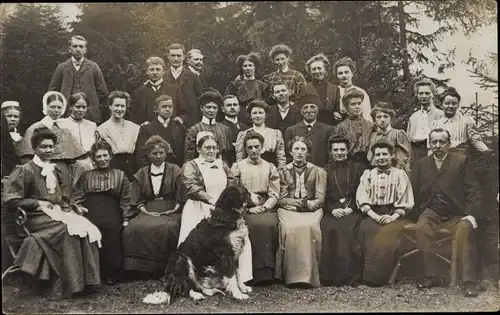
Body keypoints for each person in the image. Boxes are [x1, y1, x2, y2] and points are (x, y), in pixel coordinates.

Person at [3, 127, 101, 298]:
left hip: (55, 212)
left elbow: (60, 197)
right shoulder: (25, 170)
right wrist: (36, 202)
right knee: (68, 230)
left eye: (50, 147)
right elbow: (11, 200)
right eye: (43, 147)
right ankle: (72, 284)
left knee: (84, 226)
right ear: (34, 149)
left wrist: (71, 207)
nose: (48, 150)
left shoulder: (54, 169)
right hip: (34, 217)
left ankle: (88, 281)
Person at [413, 128, 482, 297]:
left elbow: (473, 190)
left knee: (466, 229)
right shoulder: (421, 164)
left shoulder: (461, 161)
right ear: (430, 144)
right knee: (421, 227)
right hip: (431, 211)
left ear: (449, 144)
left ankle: (469, 281)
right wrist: (413, 213)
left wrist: (471, 213)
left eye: (442, 142)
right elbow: (413, 192)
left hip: (456, 213)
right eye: (434, 142)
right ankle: (432, 276)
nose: (438, 145)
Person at [71, 141, 132, 285]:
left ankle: (112, 271)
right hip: (90, 207)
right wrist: (77, 208)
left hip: (111, 207)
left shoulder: (120, 175)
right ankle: (94, 272)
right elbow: (77, 196)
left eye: (105, 155)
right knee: (91, 228)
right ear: (93, 159)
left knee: (110, 227)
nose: (102, 159)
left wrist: (125, 218)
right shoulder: (86, 175)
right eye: (98, 157)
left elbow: (125, 198)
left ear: (110, 156)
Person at [123, 136, 184, 277]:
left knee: (168, 228)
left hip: (171, 208)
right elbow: (137, 199)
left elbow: (180, 196)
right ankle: (140, 270)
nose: (158, 156)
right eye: (154, 153)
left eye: (161, 153)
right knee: (133, 228)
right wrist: (147, 212)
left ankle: (165, 268)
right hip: (148, 208)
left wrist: (174, 209)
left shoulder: (175, 170)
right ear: (148, 155)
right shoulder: (141, 173)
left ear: (166, 153)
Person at [356, 141, 414, 286]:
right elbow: (362, 197)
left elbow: (405, 199)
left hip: (394, 214)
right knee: (366, 229)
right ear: (374, 157)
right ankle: (367, 275)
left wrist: (393, 216)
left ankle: (381, 277)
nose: (381, 157)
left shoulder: (400, 174)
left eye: (384, 154)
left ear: (392, 155)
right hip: (373, 213)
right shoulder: (368, 174)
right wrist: (374, 215)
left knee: (388, 233)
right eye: (378, 154)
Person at [275, 137, 326, 288]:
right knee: (289, 229)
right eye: (296, 149)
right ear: (290, 151)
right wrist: (298, 204)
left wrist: (307, 205)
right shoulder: (282, 171)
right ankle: (290, 276)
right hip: (288, 210)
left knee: (311, 228)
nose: (299, 152)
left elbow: (320, 199)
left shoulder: (319, 171)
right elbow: (281, 198)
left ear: (308, 152)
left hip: (311, 210)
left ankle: (309, 276)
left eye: (303, 149)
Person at [231, 132, 280, 284]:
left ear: (262, 148)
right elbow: (233, 192)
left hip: (265, 205)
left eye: (256, 147)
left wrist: (264, 207)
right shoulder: (238, 167)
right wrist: (247, 209)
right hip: (244, 206)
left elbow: (274, 194)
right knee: (251, 225)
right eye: (250, 147)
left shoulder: (270, 167)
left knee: (270, 225)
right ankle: (248, 274)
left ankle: (266, 273)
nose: (253, 150)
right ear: (245, 149)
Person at [320, 136, 367, 286]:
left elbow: (363, 192)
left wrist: (351, 208)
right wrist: (332, 210)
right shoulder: (324, 170)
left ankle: (349, 276)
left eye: (342, 149)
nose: (339, 153)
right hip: (332, 210)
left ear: (348, 150)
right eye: (336, 150)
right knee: (329, 227)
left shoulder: (359, 168)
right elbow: (322, 195)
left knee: (347, 228)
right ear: (331, 152)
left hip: (353, 209)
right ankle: (329, 276)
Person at [18, 91, 90, 187]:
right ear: (46, 106)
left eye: (59, 107)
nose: (56, 110)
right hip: (40, 168)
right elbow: (26, 156)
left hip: (63, 171)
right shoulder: (35, 128)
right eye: (52, 107)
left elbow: (77, 155)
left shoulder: (65, 129)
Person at [48, 35, 108, 124]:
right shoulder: (62, 67)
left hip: (89, 115)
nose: (78, 49)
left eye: (81, 46)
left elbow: (103, 92)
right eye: (75, 46)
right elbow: (52, 92)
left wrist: (93, 108)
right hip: (67, 114)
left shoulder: (93, 67)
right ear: (69, 49)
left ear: (85, 50)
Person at [429, 87, 490, 156]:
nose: (450, 106)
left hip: (461, 158)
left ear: (458, 105)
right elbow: (430, 147)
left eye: (454, 103)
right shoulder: (435, 124)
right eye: (447, 103)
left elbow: (476, 141)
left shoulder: (467, 121)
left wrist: (488, 152)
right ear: (441, 105)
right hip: (441, 159)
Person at [95, 91, 140, 181]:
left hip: (132, 169)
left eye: (122, 106)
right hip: (112, 168)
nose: (119, 109)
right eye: (116, 105)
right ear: (110, 106)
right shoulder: (102, 129)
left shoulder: (134, 127)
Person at [128, 56, 185, 126]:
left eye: (158, 69)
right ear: (147, 72)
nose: (155, 72)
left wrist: (179, 118)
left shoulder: (174, 89)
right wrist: (140, 124)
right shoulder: (140, 91)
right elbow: (133, 114)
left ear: (163, 71)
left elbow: (184, 111)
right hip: (147, 132)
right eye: (151, 69)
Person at [135, 95, 186, 168]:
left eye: (170, 106)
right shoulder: (147, 129)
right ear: (156, 109)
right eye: (164, 107)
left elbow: (186, 152)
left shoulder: (179, 127)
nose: (168, 109)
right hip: (154, 171)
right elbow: (142, 155)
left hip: (176, 170)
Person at [283, 94, 334, 167]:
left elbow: (331, 154)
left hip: (321, 171)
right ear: (301, 111)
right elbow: (288, 155)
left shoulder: (328, 129)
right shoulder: (291, 130)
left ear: (318, 109)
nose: (309, 110)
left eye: (312, 107)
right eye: (305, 107)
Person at [184, 88, 233, 163]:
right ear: (201, 108)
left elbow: (229, 155)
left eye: (214, 108)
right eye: (208, 107)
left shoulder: (225, 129)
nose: (211, 110)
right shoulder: (194, 130)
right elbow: (189, 157)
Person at [235, 100, 286, 168]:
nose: (257, 116)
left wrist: (280, 170)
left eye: (260, 113)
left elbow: (280, 157)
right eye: (254, 113)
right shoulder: (244, 134)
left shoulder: (275, 134)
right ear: (250, 116)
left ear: (266, 115)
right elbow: (240, 157)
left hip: (271, 170)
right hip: (250, 170)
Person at [406, 78, 443, 170]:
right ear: (417, 95)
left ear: (433, 94)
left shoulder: (440, 115)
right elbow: (408, 140)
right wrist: (408, 160)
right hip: (416, 153)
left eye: (427, 93)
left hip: (434, 151)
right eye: (421, 93)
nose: (424, 96)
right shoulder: (414, 117)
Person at [163, 43, 203, 128]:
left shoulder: (193, 77)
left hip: (190, 124)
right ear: (168, 57)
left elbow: (200, 101)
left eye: (179, 55)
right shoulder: (163, 77)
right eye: (173, 55)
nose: (176, 59)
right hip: (168, 123)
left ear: (184, 57)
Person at [367, 102, 411, 173]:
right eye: (379, 117)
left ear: (391, 118)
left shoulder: (398, 134)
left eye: (385, 116)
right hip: (374, 172)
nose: (382, 120)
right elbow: (370, 157)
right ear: (374, 120)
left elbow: (403, 159)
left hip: (392, 172)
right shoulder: (373, 136)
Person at [224, 52, 268, 123]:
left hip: (258, 119)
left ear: (255, 67)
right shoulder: (234, 85)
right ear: (241, 68)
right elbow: (227, 103)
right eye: (245, 66)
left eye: (250, 65)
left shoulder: (262, 85)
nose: (248, 68)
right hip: (240, 119)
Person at [333, 88, 373, 166]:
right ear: (346, 107)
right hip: (349, 165)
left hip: (369, 165)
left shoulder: (370, 125)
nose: (357, 106)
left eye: (359, 103)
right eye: (353, 104)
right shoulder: (340, 127)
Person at [58, 92, 97, 170]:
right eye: (78, 107)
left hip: (90, 166)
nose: (81, 110)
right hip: (69, 166)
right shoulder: (61, 124)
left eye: (84, 107)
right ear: (70, 107)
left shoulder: (92, 125)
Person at [300, 53, 341, 125]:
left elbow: (337, 109)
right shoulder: (304, 89)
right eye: (313, 69)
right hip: (313, 127)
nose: (316, 71)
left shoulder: (335, 88)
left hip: (331, 126)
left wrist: (336, 113)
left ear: (325, 69)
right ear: (310, 71)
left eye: (319, 68)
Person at [333, 57, 371, 122]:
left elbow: (367, 116)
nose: (344, 75)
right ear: (336, 75)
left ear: (352, 73)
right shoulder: (332, 92)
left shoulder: (361, 92)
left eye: (346, 72)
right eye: (340, 73)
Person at [220, 95, 250, 167]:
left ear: (239, 108)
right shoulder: (219, 127)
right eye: (229, 105)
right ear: (222, 109)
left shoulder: (246, 128)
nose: (232, 107)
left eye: (235, 105)